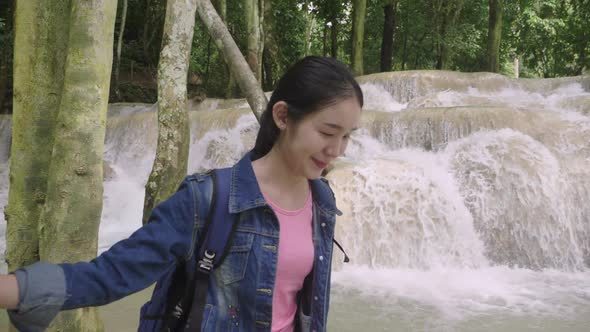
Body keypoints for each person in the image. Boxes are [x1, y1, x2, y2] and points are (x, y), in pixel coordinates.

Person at [0, 55, 363, 332]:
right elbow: (111, 274)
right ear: (283, 117)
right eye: (328, 132)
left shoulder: (322, 202)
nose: (337, 149)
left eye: (347, 136)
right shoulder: (206, 199)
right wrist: (15, 289)